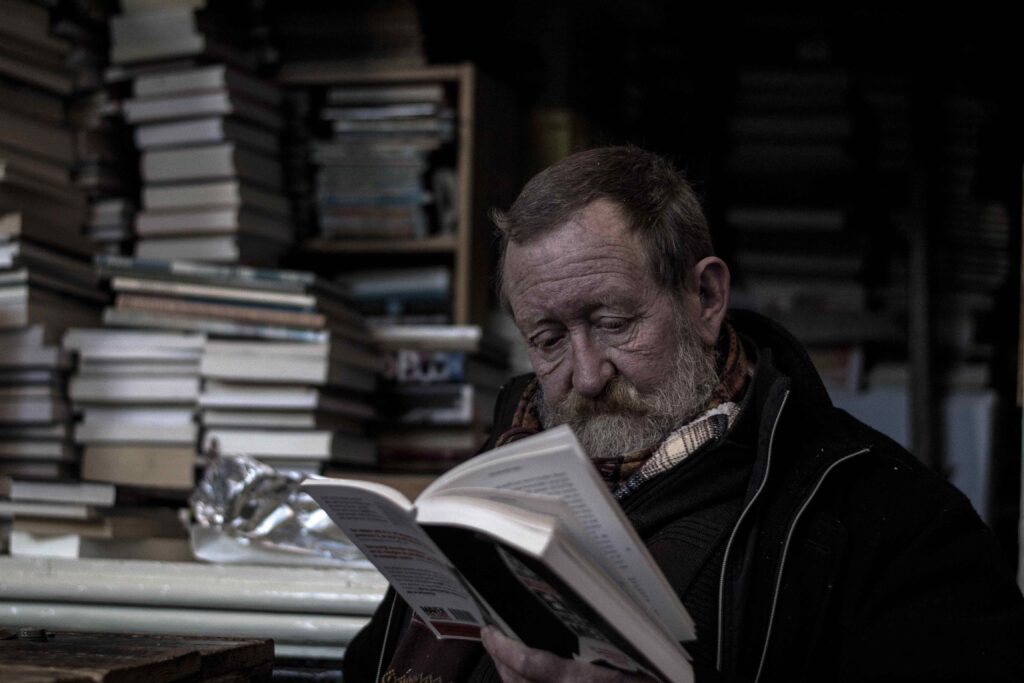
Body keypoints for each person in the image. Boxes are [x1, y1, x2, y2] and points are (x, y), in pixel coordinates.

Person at [344, 146, 1024, 682]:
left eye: (612, 322)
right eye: (548, 340)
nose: (585, 375)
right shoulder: (490, 480)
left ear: (705, 298)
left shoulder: (887, 517)